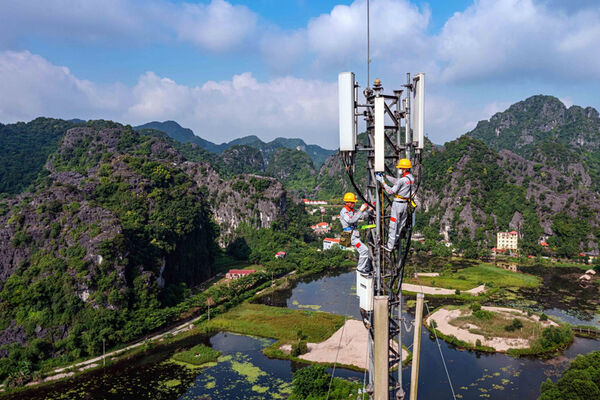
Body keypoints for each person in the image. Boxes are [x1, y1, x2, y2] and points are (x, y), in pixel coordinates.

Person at [375, 158, 414, 251]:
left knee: (393, 224)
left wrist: (382, 181)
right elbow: (398, 181)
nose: (399, 169)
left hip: (397, 205)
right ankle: (395, 241)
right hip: (405, 204)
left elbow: (391, 191)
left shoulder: (402, 180)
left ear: (404, 169)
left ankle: (390, 246)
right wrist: (386, 176)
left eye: (400, 168)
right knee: (400, 225)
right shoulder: (411, 178)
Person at [339, 192, 371, 274]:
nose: (354, 204)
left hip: (355, 235)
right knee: (364, 250)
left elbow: (361, 216)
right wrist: (360, 210)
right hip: (350, 236)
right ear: (347, 202)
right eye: (352, 202)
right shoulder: (344, 212)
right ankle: (360, 268)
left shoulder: (353, 210)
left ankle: (365, 267)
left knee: (364, 250)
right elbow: (351, 220)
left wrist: (369, 210)